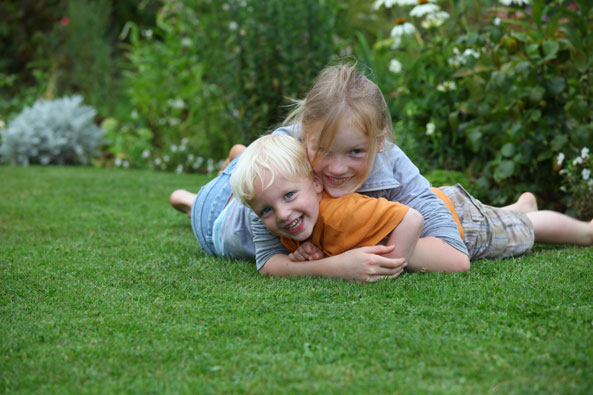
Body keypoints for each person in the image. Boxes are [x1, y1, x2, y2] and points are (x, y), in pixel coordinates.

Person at [229, 133, 424, 268]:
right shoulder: (281, 202)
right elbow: (268, 265)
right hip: (216, 226)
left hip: (224, 206)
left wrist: (389, 267)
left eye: (289, 195)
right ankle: (233, 161)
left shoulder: (341, 212)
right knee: (203, 203)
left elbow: (411, 219)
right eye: (266, 211)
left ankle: (236, 158)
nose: (282, 214)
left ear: (316, 183)